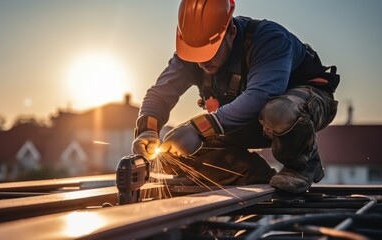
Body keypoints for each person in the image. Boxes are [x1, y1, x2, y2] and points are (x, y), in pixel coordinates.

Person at [132, 0, 339, 193]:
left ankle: (302, 164)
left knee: (278, 111)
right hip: (246, 120)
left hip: (303, 107)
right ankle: (251, 173)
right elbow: (159, 94)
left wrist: (199, 128)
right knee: (172, 154)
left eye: (209, 51)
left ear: (230, 32)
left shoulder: (269, 39)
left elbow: (261, 96)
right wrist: (148, 130)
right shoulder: (191, 54)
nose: (201, 62)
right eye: (196, 54)